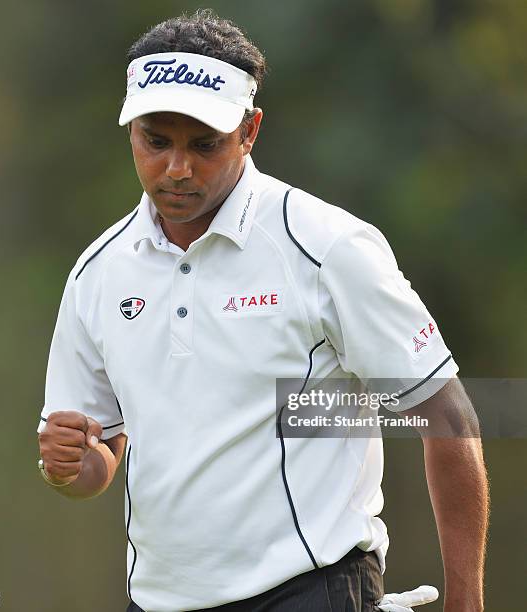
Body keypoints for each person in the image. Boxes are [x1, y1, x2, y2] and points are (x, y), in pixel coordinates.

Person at [37, 10, 488, 612]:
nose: (177, 167)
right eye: (157, 140)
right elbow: (100, 463)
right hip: (156, 601)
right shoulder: (97, 273)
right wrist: (69, 466)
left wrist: (468, 601)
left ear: (249, 131)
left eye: (205, 144)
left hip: (311, 588)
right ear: (130, 129)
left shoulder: (327, 247)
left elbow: (446, 415)